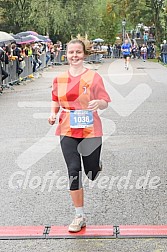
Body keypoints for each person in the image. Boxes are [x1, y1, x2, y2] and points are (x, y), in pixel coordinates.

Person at [48, 39, 111, 233]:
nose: (74, 56)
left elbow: (105, 101)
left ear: (84, 54)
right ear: (65, 54)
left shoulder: (93, 77)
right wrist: (53, 113)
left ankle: (95, 165)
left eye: (78, 52)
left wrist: (98, 104)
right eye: (71, 52)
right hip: (67, 129)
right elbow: (55, 99)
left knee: (90, 173)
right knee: (73, 170)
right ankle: (79, 215)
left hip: (90, 129)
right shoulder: (59, 78)